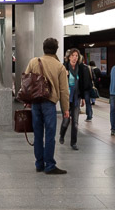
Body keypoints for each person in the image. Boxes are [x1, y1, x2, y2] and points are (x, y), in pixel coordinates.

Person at [24, 37, 70, 175]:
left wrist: (27, 100)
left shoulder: (34, 61)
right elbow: (64, 91)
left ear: (43, 48)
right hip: (49, 103)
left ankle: (39, 163)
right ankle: (49, 165)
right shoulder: (59, 66)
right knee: (50, 134)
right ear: (56, 49)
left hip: (35, 103)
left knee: (38, 134)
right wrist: (65, 109)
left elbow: (26, 82)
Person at [60, 49, 93, 150]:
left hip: (76, 98)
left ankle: (73, 143)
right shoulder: (63, 68)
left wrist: (82, 98)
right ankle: (62, 134)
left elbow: (82, 84)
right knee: (66, 120)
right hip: (66, 98)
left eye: (76, 56)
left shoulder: (81, 69)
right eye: (73, 55)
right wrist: (64, 75)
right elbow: (60, 83)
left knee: (75, 122)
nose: (75, 57)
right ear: (69, 57)